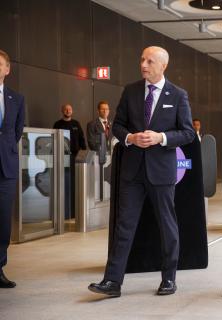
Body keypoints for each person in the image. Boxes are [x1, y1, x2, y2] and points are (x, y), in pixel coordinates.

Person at [88, 46, 195, 297]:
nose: (143, 65)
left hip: (161, 171)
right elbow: (118, 126)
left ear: (163, 66)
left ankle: (169, 279)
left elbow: (188, 133)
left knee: (167, 225)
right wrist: (130, 138)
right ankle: (112, 282)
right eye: (142, 60)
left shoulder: (178, 95)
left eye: (150, 61)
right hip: (132, 172)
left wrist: (161, 137)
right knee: (123, 226)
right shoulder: (130, 91)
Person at [0, 49, 25, 289]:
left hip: (5, 168)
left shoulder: (16, 99)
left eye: (0, 65)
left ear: (7, 69)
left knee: (3, 220)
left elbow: (17, 131)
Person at [53, 103, 86, 219]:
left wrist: (84, 153)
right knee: (64, 184)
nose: (68, 111)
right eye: (66, 109)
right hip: (62, 158)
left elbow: (82, 139)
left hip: (76, 158)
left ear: (72, 111)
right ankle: (64, 213)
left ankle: (74, 213)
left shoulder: (76, 124)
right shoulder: (57, 124)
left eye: (70, 109)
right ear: (62, 111)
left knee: (75, 184)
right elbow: (54, 141)